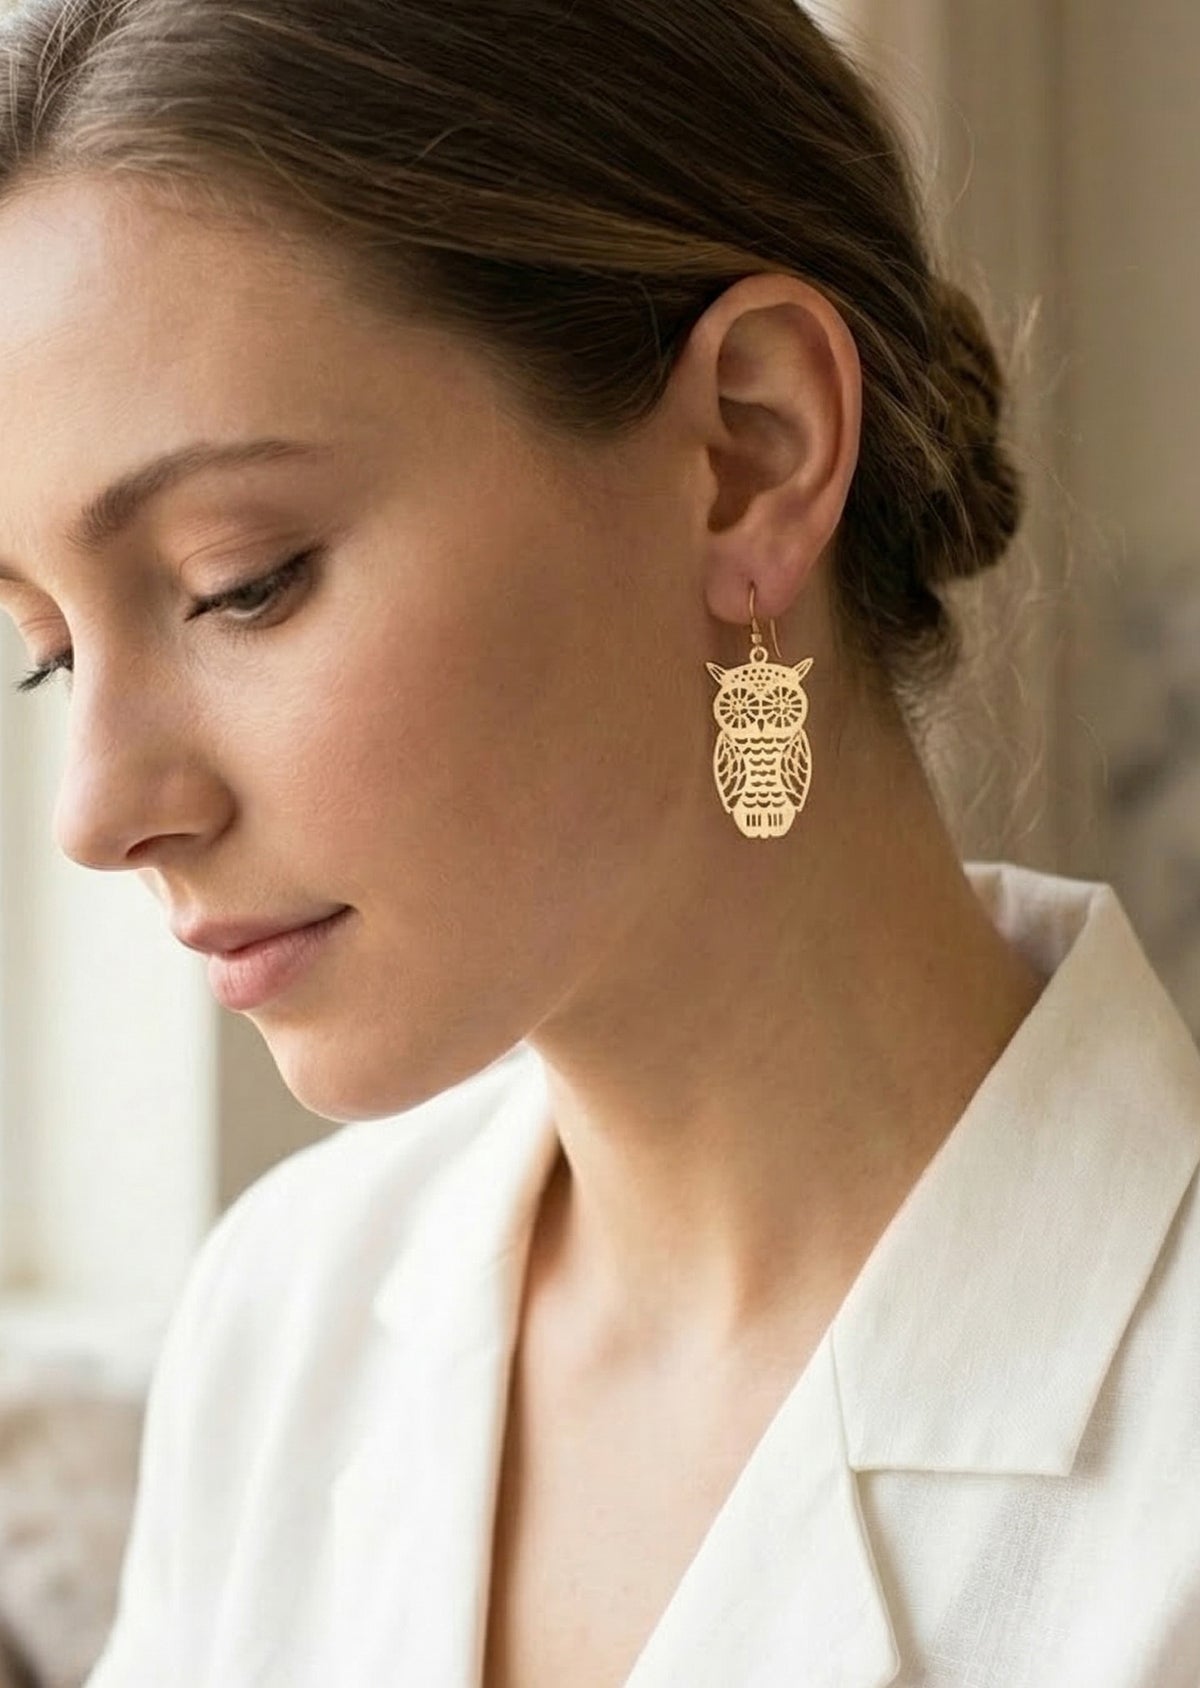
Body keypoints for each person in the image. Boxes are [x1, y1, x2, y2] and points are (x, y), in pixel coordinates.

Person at [0, 0, 1197, 1682]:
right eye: (50, 647)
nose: (99, 811)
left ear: (748, 456)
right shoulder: (290, 1318)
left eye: (239, 581)